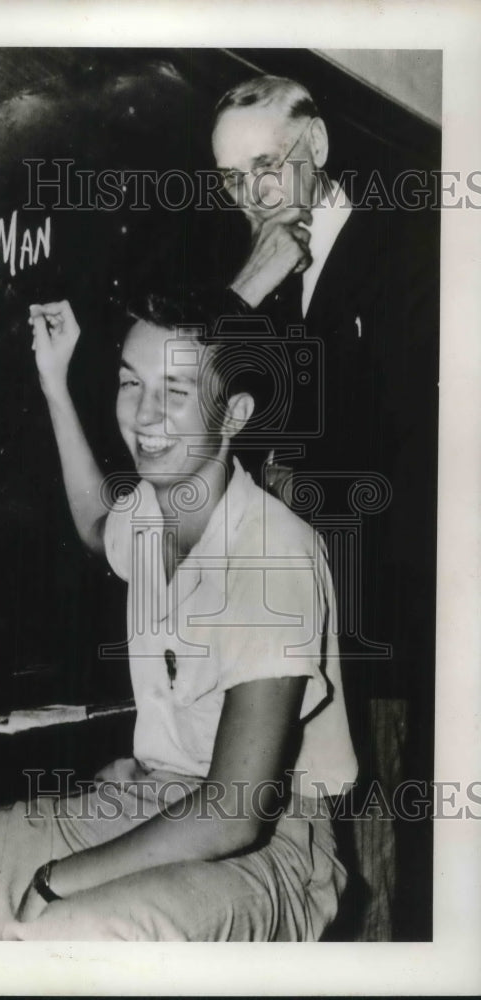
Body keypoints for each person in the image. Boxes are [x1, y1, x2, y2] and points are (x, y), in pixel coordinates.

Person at [0, 289, 356, 941]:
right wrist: (55, 382)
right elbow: (95, 525)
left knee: (69, 936)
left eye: (174, 393)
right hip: (147, 803)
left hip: (272, 846)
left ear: (234, 415)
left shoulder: (272, 552)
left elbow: (235, 813)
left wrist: (59, 878)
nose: (144, 415)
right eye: (128, 383)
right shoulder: (152, 508)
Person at [211, 75, 439, 938]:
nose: (251, 195)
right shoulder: (254, 276)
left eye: (265, 167)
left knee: (386, 872)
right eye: (231, 179)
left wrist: (292, 481)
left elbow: (413, 451)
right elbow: (186, 409)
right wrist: (246, 293)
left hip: (388, 631)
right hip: (295, 636)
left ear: (317, 152)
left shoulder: (414, 248)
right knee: (324, 872)